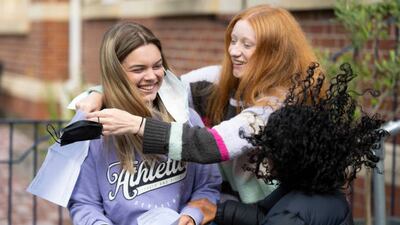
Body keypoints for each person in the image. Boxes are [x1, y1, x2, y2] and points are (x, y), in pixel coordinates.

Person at [76, 4, 319, 204]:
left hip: (279, 208)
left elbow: (211, 145)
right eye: (233, 40)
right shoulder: (215, 80)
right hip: (228, 204)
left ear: (273, 53)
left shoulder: (277, 106)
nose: (234, 51)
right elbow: (158, 88)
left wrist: (139, 125)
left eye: (247, 44)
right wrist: (99, 93)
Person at [187, 63, 388, 225]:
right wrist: (220, 211)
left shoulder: (289, 215)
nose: (265, 156)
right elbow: (265, 214)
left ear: (288, 160)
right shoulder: (325, 192)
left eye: (270, 150)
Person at [67, 22, 221, 225]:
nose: (152, 76)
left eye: (157, 66)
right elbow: (83, 203)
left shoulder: (186, 118)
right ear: (116, 73)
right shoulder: (92, 131)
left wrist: (192, 215)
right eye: (139, 69)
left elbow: (208, 185)